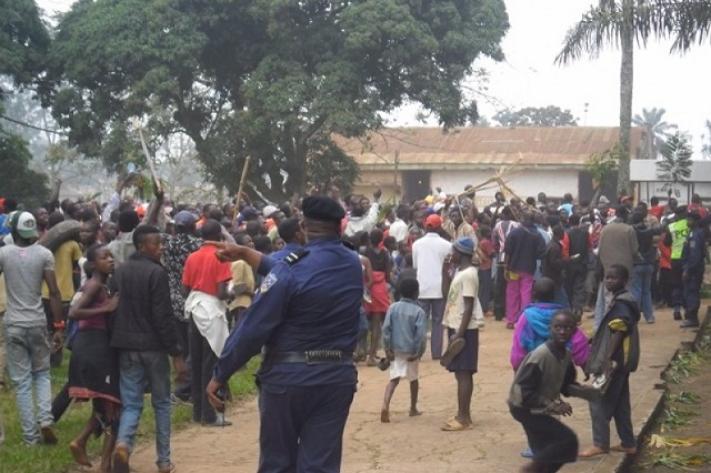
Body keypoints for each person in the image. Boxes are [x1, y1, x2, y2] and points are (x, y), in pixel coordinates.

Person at [206, 195, 363, 473]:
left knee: (278, 464)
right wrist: (246, 253)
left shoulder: (291, 270)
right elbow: (300, 272)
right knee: (320, 466)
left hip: (288, 380)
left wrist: (221, 373)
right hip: (335, 376)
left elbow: (253, 328)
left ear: (303, 226)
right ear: (339, 227)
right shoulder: (352, 264)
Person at [110, 225, 187, 473]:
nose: (161, 247)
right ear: (142, 246)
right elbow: (163, 317)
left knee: (131, 403)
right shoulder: (157, 273)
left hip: (126, 346)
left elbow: (113, 307)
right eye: (157, 243)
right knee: (162, 403)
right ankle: (163, 461)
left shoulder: (120, 271)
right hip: (153, 347)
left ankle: (123, 444)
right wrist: (176, 352)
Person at [0, 211, 64, 445]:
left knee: (22, 382)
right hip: (37, 322)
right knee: (42, 374)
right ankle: (45, 419)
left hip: (14, 323)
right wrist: (59, 326)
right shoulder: (44, 254)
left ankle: (30, 437)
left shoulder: (4, 254)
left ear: (13, 230)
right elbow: (54, 292)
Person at [509, 310, 599, 473]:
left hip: (537, 407)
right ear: (550, 329)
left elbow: (566, 385)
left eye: (567, 328)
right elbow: (523, 391)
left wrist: (586, 392)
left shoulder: (566, 355)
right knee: (567, 441)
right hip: (524, 408)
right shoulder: (541, 355)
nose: (562, 332)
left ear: (574, 331)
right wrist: (552, 405)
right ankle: (529, 470)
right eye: (558, 327)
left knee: (545, 449)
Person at [66, 245, 120, 472]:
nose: (110, 260)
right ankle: (102, 461)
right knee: (114, 406)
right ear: (92, 263)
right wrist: (106, 309)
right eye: (104, 257)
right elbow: (74, 312)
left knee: (104, 405)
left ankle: (83, 444)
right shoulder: (94, 285)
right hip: (94, 347)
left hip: (93, 346)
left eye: (110, 256)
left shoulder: (101, 284)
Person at [580, 264, 640, 458]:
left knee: (597, 398)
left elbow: (619, 331)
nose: (609, 281)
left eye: (614, 278)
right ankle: (628, 443)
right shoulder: (623, 300)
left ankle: (600, 443)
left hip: (614, 361)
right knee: (621, 403)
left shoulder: (622, 304)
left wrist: (607, 358)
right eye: (607, 277)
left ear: (625, 281)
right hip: (622, 362)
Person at [182, 220, 233, 426]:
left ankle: (198, 413)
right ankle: (209, 415)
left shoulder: (192, 256)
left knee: (196, 362)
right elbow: (221, 293)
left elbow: (186, 289)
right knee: (210, 365)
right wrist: (234, 292)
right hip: (212, 311)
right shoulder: (220, 256)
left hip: (195, 309)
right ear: (219, 235)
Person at [440, 237, 483, 431]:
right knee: (460, 373)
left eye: (454, 251)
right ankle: (463, 414)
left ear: (462, 253)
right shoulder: (460, 272)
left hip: (464, 329)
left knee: (464, 373)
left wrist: (460, 334)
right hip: (457, 326)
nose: (451, 254)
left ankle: (464, 417)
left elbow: (468, 306)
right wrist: (444, 272)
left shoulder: (469, 275)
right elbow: (446, 294)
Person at [163, 210, 202, 403]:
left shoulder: (167, 244)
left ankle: (187, 386)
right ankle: (188, 389)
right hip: (194, 299)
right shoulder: (198, 245)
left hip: (174, 300)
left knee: (185, 348)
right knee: (196, 348)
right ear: (193, 226)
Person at [380, 278, 427, 423]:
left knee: (393, 379)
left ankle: (385, 405)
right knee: (413, 379)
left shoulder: (393, 308)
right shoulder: (419, 311)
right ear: (416, 293)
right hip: (411, 351)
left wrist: (387, 348)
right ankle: (413, 408)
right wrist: (418, 352)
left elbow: (386, 329)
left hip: (395, 350)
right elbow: (420, 335)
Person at [412, 214, 452, 360]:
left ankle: (418, 352)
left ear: (426, 225)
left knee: (421, 321)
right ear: (439, 227)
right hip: (439, 287)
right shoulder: (447, 245)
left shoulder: (417, 244)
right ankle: (436, 353)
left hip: (422, 286)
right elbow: (449, 266)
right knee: (438, 321)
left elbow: (415, 265)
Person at [594, 206, 639, 329]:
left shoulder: (605, 229)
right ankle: (614, 324)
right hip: (624, 271)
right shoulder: (629, 229)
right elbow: (634, 250)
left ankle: (600, 326)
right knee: (622, 298)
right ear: (626, 215)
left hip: (607, 269)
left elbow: (599, 249)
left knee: (605, 298)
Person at [504, 212, 546, 329]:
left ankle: (511, 320)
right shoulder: (537, 234)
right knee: (526, 294)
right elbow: (542, 252)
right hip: (528, 268)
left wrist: (506, 267)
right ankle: (523, 320)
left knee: (512, 294)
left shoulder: (514, 232)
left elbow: (507, 251)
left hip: (513, 268)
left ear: (522, 219)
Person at [364, 228, 391, 365]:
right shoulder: (385, 253)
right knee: (378, 324)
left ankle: (369, 353)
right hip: (381, 289)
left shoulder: (366, 252)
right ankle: (372, 355)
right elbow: (388, 273)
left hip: (368, 288)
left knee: (371, 323)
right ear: (381, 240)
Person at [680, 212, 707, 328]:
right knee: (690, 292)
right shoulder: (693, 233)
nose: (687, 221)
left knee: (691, 292)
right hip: (694, 268)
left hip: (694, 270)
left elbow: (694, 256)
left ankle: (692, 318)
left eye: (689, 220)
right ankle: (690, 316)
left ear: (695, 221)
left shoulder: (695, 235)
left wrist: (688, 270)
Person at [666, 206, 690, 321]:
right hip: (687, 258)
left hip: (675, 258)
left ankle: (676, 310)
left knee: (676, 285)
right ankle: (688, 310)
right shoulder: (689, 225)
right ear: (684, 213)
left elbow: (667, 242)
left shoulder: (671, 226)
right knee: (687, 284)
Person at [541, 225, 569, 308]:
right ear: (559, 234)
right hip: (554, 278)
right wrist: (564, 261)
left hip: (549, 276)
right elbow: (554, 263)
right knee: (562, 300)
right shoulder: (555, 247)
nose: (564, 234)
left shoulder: (551, 244)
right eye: (563, 233)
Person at [475, 225, 495, 316]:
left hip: (481, 267)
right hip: (486, 267)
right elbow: (491, 254)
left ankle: (480, 307)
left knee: (482, 289)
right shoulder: (486, 242)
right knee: (486, 289)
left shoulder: (481, 242)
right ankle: (484, 308)